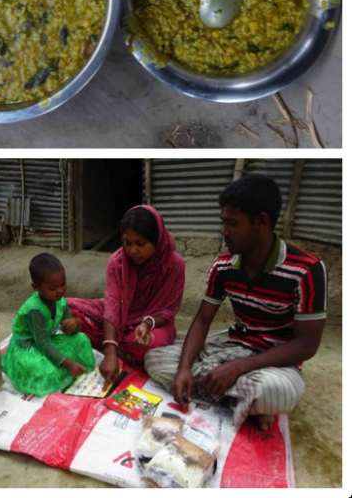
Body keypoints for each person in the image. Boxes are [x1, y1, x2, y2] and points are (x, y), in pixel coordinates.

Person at [144, 174, 326, 431]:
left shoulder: (307, 269)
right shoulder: (223, 265)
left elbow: (307, 345)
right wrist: (185, 367)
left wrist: (237, 368)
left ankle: (237, 393)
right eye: (223, 222)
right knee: (154, 359)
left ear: (261, 222)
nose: (223, 231)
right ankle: (240, 400)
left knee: (277, 393)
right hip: (232, 345)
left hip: (273, 361)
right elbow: (203, 319)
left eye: (232, 223)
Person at [68, 206, 185, 386]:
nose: (133, 251)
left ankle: (111, 343)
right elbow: (112, 308)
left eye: (140, 243)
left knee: (148, 344)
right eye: (127, 243)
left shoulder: (175, 265)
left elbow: (168, 310)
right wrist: (110, 352)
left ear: (157, 239)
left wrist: (146, 324)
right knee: (66, 309)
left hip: (152, 323)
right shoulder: (117, 262)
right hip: (117, 316)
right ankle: (117, 348)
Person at [1, 252, 95, 396]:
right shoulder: (35, 310)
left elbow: (66, 329)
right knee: (40, 368)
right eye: (53, 288)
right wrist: (68, 363)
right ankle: (64, 369)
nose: (60, 290)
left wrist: (75, 323)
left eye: (63, 284)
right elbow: (43, 344)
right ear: (36, 287)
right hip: (30, 345)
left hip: (51, 336)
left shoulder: (60, 300)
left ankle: (65, 367)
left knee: (82, 339)